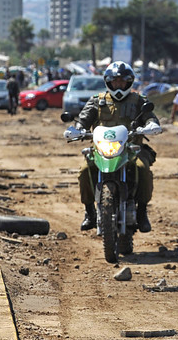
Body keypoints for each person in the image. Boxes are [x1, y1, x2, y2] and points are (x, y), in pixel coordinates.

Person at [66, 61, 162, 233]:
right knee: (83, 170)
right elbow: (83, 119)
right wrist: (77, 129)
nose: (118, 84)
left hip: (132, 149)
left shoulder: (139, 100)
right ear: (108, 82)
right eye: (115, 81)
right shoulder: (97, 100)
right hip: (102, 150)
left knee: (143, 169)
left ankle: (141, 212)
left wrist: (151, 125)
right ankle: (89, 212)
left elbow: (150, 118)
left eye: (122, 81)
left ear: (129, 82)